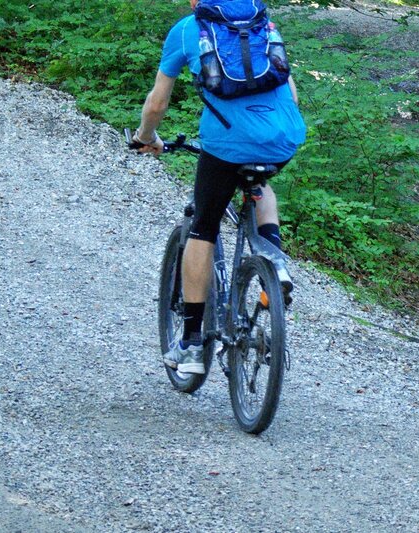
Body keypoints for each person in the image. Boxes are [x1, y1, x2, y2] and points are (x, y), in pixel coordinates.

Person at [131, 0, 306, 375]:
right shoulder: (264, 24)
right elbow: (290, 94)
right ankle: (275, 262)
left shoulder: (187, 29)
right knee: (259, 184)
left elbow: (158, 102)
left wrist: (146, 136)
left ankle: (192, 344)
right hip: (282, 136)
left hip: (227, 143)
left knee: (203, 228)